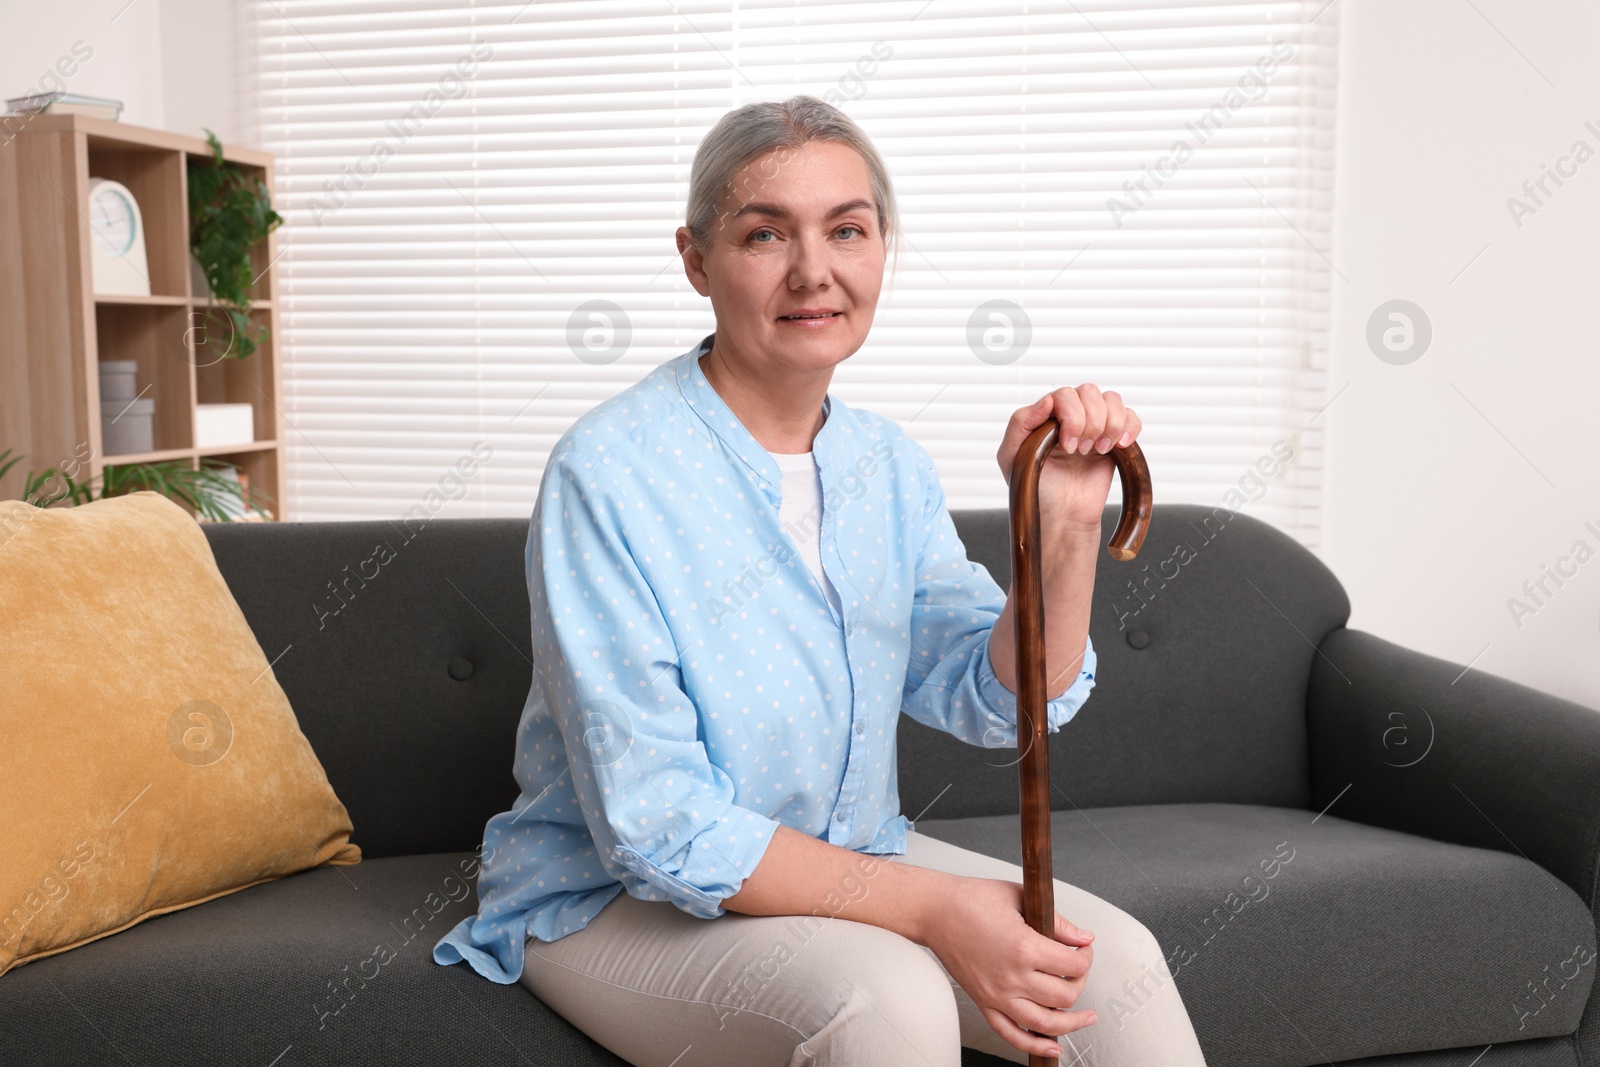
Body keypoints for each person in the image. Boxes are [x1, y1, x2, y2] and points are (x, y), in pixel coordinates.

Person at [433, 94, 1209, 1067]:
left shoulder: (888, 464)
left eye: (847, 229)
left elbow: (994, 697)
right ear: (694, 259)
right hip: (607, 897)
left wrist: (1063, 525)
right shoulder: (610, 468)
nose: (814, 269)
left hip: (849, 854)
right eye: (766, 233)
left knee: (1118, 966)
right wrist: (934, 907)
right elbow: (659, 821)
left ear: (882, 248)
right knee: (883, 1000)